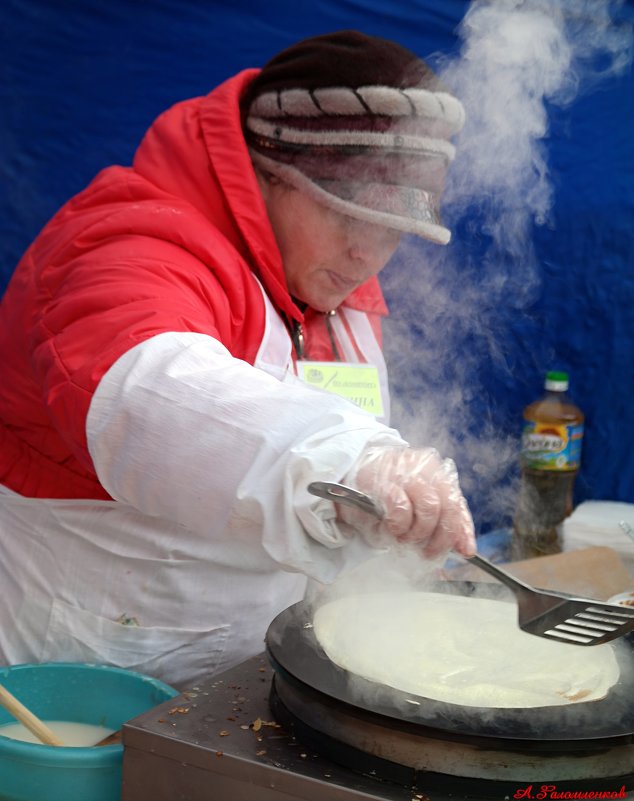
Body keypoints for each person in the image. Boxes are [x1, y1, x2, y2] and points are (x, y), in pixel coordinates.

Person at [0, 31, 475, 688]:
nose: (369, 253)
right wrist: (351, 463)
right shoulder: (124, 243)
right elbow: (147, 393)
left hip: (247, 680)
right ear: (267, 172)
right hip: (86, 680)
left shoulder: (330, 278)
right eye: (347, 214)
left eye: (393, 229)